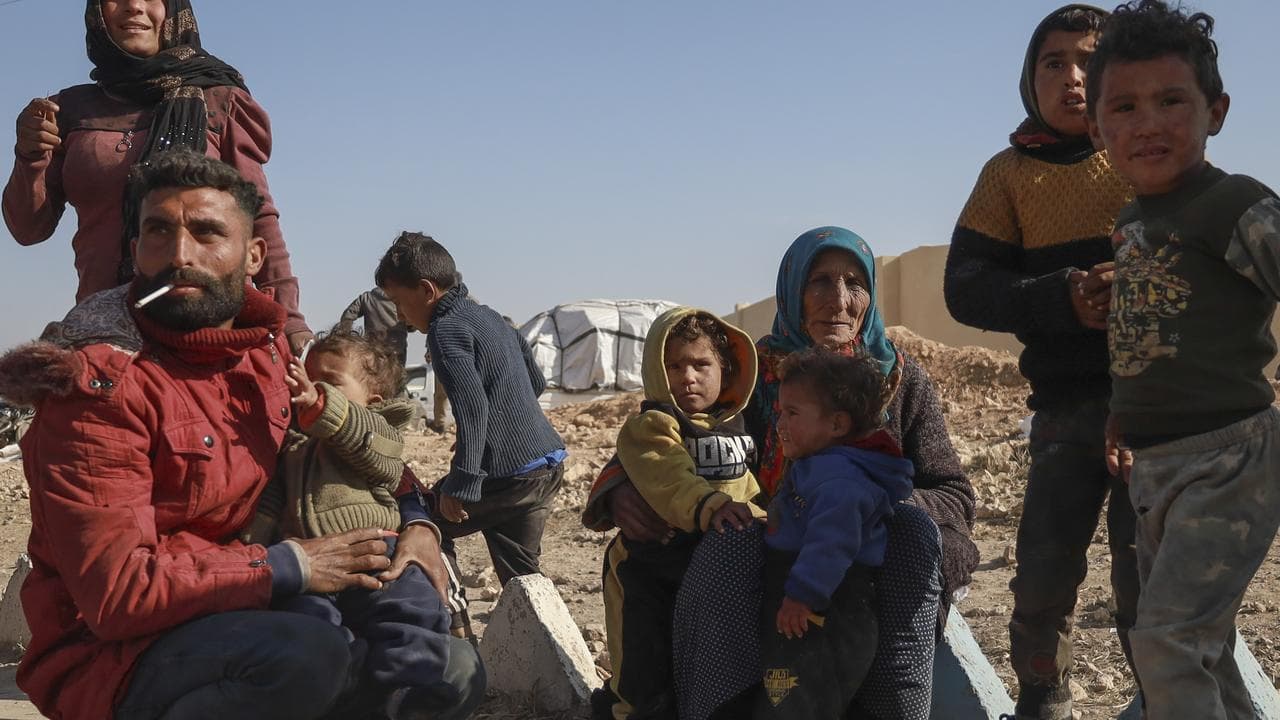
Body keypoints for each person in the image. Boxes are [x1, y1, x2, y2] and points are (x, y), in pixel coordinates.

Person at [0, 151, 483, 720]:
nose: (180, 255)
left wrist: (418, 521)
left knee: (450, 672)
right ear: (135, 252)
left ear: (253, 255)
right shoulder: (95, 390)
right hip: (123, 651)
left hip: (251, 601)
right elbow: (118, 596)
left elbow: (337, 447)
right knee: (303, 658)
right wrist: (289, 565)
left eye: (207, 233)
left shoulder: (267, 354)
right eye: (158, 231)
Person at [602, 226, 980, 720]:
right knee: (721, 540)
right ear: (793, 289)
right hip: (771, 535)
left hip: (869, 543)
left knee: (914, 535)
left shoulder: (900, 379)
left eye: (854, 282)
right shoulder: (753, 375)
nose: (838, 300)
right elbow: (675, 431)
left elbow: (952, 491)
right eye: (820, 281)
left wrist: (870, 504)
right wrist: (619, 490)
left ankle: (891, 707)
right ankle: (714, 706)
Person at [942, 5, 1138, 717]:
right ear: (1030, 81)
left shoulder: (1142, 152)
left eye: (1089, 60)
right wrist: (1061, 298)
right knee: (1043, 578)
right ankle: (1043, 699)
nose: (1072, 77)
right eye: (1053, 63)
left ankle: (1165, 695)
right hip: (1063, 413)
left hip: (1155, 414)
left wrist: (1134, 284)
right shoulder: (1009, 174)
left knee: (1147, 574)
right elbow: (964, 288)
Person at [1085, 2, 1280, 717]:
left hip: (1229, 459)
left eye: (1172, 101)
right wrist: (1120, 412)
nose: (1148, 122)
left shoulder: (1234, 204)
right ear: (1098, 127)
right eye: (1125, 106)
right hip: (1156, 466)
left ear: (1216, 111)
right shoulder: (1131, 223)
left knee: (1165, 640)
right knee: (1202, 643)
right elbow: (1144, 334)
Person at [3, 0, 312, 353]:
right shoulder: (66, 110)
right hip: (106, 334)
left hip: (205, 327)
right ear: (97, 13)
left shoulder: (219, 98)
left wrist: (290, 320)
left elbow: (256, 215)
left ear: (173, 10)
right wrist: (29, 156)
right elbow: (28, 230)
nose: (134, 7)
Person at [240, 330, 459, 719]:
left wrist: (323, 408)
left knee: (410, 608)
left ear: (371, 403)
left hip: (379, 553)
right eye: (306, 378)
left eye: (328, 382)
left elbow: (385, 461)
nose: (309, 387)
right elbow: (272, 502)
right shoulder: (293, 447)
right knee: (310, 624)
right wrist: (251, 551)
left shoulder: (377, 434)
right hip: (313, 566)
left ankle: (409, 688)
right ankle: (353, 688)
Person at [586, 308, 765, 720]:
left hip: (712, 559)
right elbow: (667, 476)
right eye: (674, 366)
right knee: (645, 660)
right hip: (651, 563)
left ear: (726, 368)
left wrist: (760, 515)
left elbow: (750, 485)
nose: (688, 377)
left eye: (701, 364)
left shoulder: (739, 426)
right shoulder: (653, 425)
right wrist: (712, 507)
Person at [376, 233, 566, 590]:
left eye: (399, 302)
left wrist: (462, 483)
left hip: (509, 476)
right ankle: (550, 642)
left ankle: (454, 627)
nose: (399, 315)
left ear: (427, 291)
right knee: (523, 578)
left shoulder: (445, 331)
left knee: (424, 524)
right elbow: (534, 382)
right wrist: (484, 441)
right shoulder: (490, 316)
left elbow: (474, 408)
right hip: (546, 464)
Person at [755, 348, 913, 719]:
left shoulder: (841, 481)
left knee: (802, 703)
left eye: (792, 414)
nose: (780, 425)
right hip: (804, 604)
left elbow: (831, 545)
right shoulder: (820, 466)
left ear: (837, 425)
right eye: (780, 412)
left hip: (827, 611)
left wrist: (802, 596)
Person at [339, 287, 410, 367]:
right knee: (397, 377)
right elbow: (411, 322)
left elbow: (347, 316)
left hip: (373, 349)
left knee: (373, 377)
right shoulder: (403, 298)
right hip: (397, 349)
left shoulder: (367, 297)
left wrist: (347, 339)